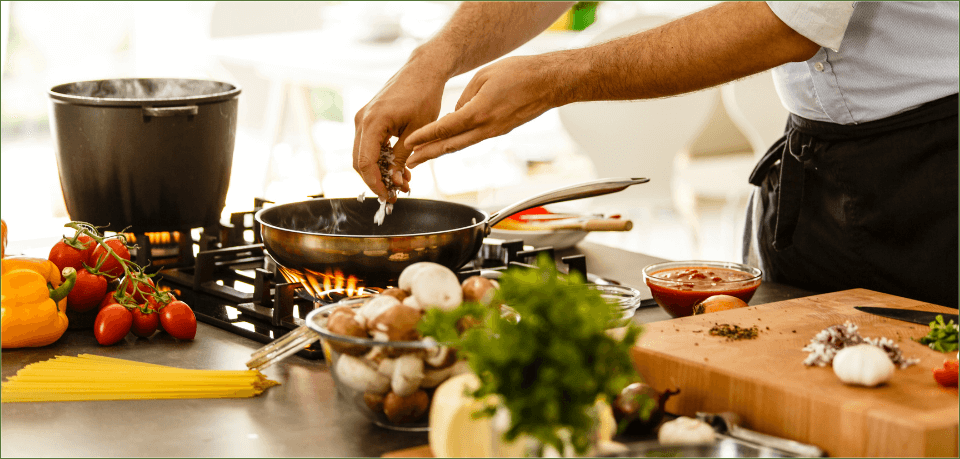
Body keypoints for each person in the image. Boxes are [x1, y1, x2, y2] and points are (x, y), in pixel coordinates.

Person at [352, 1, 959, 306]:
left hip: (938, 167)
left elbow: (788, 20)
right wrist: (434, 58)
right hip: (818, 159)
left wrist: (559, 78)